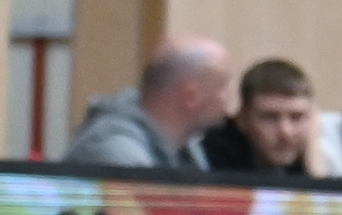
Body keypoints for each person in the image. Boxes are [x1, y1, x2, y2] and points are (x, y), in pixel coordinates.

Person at [61, 36, 231, 169]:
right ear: (191, 97)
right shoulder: (118, 154)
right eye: (223, 87)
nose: (228, 98)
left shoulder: (186, 148)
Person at [200, 58, 319, 176]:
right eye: (270, 117)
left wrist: (313, 157)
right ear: (242, 120)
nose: (285, 131)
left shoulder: (315, 149)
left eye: (297, 117)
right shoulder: (212, 153)